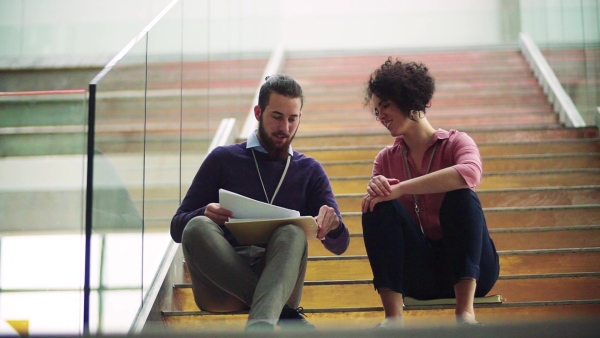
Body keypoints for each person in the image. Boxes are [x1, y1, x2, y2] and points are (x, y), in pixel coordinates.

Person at [170, 74, 350, 332]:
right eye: (277, 116)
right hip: (220, 289)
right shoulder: (223, 159)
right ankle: (283, 316)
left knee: (292, 233)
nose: (285, 127)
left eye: (293, 118)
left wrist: (333, 227)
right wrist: (204, 212)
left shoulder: (309, 170)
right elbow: (178, 227)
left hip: (280, 283)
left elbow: (341, 245)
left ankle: (261, 325)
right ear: (258, 112)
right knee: (196, 225)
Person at [360, 58, 500, 328]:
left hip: (474, 270)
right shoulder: (385, 159)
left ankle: (465, 314)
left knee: (461, 195)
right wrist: (376, 193)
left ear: (410, 99)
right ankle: (393, 318)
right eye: (376, 111)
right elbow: (379, 206)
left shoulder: (457, 142)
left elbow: (470, 173)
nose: (381, 117)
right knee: (376, 205)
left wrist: (400, 188)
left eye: (385, 106)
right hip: (420, 274)